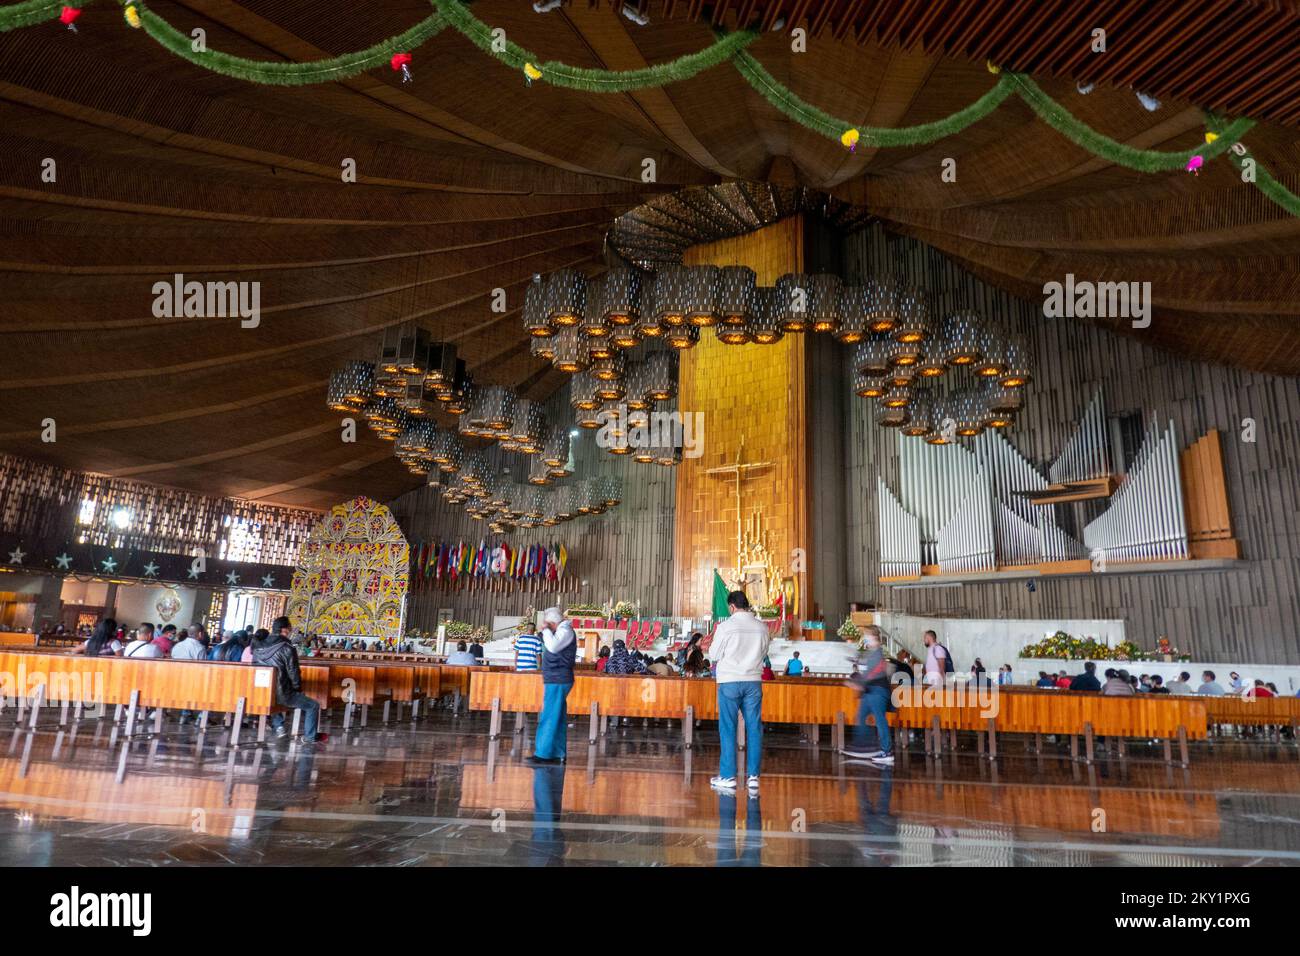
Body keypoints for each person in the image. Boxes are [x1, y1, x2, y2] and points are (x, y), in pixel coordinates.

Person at [708, 590, 770, 793]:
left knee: (728, 727)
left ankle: (728, 776)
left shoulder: (726, 626)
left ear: (732, 607)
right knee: (754, 728)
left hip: (730, 681)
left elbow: (714, 654)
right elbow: (764, 653)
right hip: (753, 681)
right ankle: (753, 777)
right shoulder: (762, 627)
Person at [254, 616, 326, 744]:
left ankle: (279, 726)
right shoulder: (287, 647)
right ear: (285, 630)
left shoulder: (258, 646)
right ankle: (310, 737)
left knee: (272, 700)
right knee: (313, 706)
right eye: (290, 627)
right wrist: (297, 688)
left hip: (261, 691)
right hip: (282, 692)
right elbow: (293, 672)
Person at [841, 626, 895, 767]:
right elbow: (866, 670)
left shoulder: (877, 653)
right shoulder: (870, 654)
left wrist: (857, 683)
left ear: (874, 638)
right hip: (869, 690)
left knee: (879, 720)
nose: (864, 638)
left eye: (866, 636)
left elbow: (873, 673)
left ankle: (886, 751)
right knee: (860, 716)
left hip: (878, 690)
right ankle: (865, 746)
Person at [530, 607, 576, 765]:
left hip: (559, 679)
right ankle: (557, 753)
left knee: (549, 716)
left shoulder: (565, 630)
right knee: (557, 717)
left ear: (553, 623)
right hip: (556, 678)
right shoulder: (560, 631)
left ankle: (543, 754)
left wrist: (546, 631)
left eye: (548, 623)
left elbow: (553, 647)